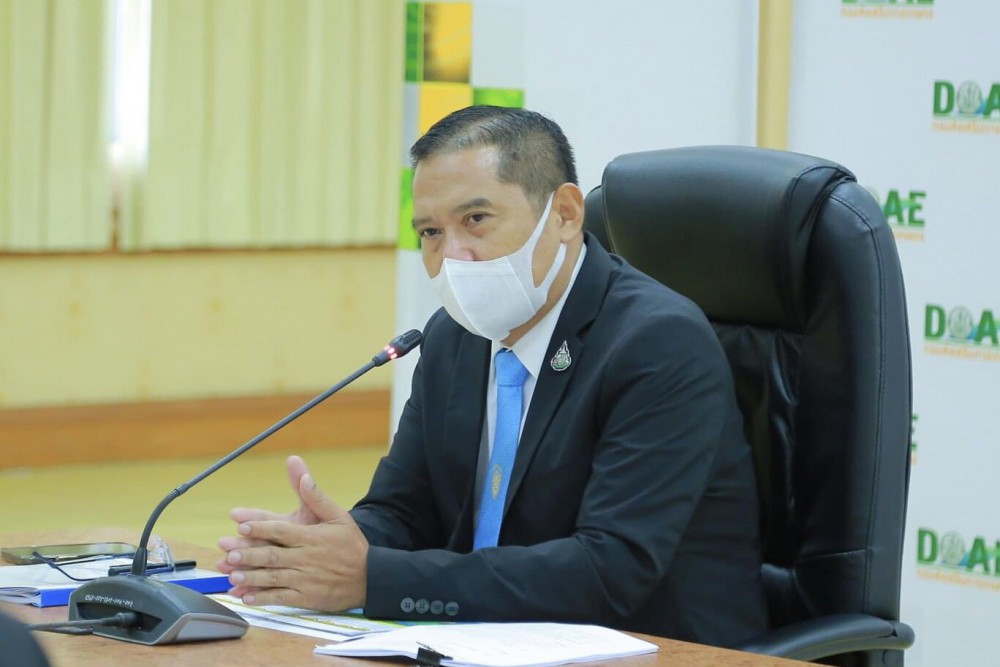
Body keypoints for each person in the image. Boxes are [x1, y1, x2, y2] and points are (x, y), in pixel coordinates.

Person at [218, 106, 767, 647]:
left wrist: (374, 577)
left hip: (664, 649)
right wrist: (329, 548)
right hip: (493, 641)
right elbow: (405, 509)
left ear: (565, 214)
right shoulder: (452, 336)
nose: (453, 257)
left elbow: (610, 569)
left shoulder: (658, 341)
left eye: (475, 220)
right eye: (431, 232)